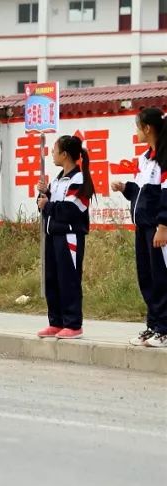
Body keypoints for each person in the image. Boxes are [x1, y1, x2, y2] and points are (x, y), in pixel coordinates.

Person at [112, 107, 167, 347]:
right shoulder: (144, 159)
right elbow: (140, 192)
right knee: (146, 278)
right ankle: (153, 325)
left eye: (138, 127)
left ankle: (164, 329)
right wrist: (125, 188)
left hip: (158, 229)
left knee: (161, 279)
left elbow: (166, 194)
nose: (136, 132)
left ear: (147, 128)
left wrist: (163, 225)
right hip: (142, 228)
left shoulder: (164, 159)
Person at [37, 135, 93, 340]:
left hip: (70, 236)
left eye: (54, 150)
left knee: (69, 279)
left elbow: (71, 210)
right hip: (53, 234)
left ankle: (73, 323)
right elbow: (46, 208)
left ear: (65, 154)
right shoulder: (58, 178)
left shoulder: (80, 179)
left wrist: (48, 205)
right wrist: (43, 195)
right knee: (53, 279)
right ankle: (56, 321)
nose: (52, 154)